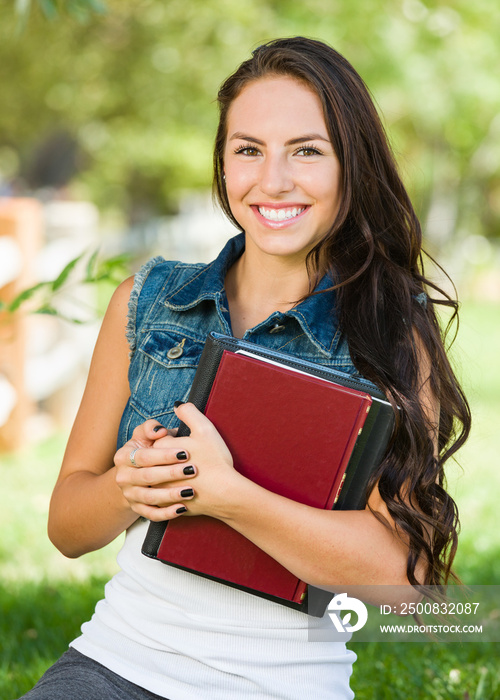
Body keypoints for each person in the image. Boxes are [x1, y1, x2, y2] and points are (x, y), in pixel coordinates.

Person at [18, 37, 470, 700]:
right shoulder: (148, 301)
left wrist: (232, 497)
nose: (273, 181)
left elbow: (406, 586)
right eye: (248, 150)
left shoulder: (390, 328)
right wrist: (130, 486)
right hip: (115, 665)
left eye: (307, 151)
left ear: (352, 165)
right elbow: (66, 527)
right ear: (223, 163)